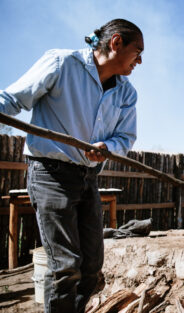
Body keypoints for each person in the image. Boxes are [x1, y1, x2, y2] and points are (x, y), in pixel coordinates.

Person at [0, 19, 144, 313]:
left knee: (91, 266)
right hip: (50, 174)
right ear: (116, 43)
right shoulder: (62, 64)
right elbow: (12, 99)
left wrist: (109, 148)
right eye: (137, 51)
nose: (140, 60)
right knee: (65, 268)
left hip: (88, 178)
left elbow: (124, 136)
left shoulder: (126, 93)